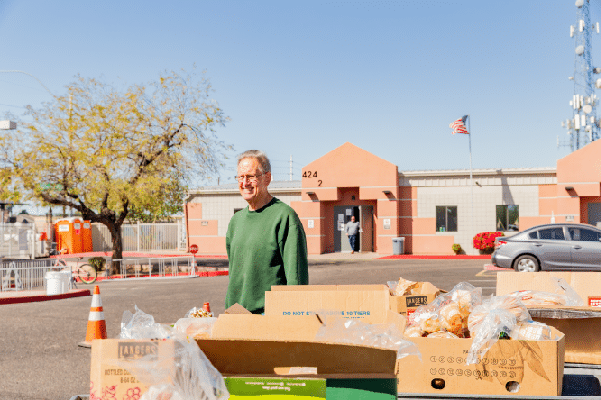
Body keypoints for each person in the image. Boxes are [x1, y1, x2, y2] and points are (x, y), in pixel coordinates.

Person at [225, 150, 309, 314]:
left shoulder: (284, 217)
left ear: (267, 178)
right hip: (235, 314)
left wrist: (294, 318)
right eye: (240, 177)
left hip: (270, 315)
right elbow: (235, 273)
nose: (245, 182)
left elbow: (296, 278)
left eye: (251, 176)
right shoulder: (236, 221)